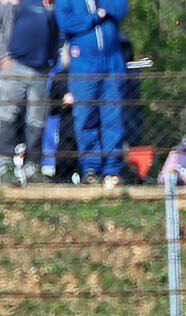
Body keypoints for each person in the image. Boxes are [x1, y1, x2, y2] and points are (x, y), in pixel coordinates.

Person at [54, 0, 126, 186]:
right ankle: (91, 167)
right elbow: (66, 22)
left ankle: (112, 168)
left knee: (113, 117)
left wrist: (102, 7)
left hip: (112, 63)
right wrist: (94, 17)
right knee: (85, 117)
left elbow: (120, 9)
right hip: (83, 64)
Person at [0, 0, 53, 186]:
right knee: (7, 115)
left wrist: (50, 59)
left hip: (40, 69)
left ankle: (33, 166)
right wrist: (2, 58)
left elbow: (53, 26)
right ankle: (4, 166)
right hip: (13, 66)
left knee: (37, 120)